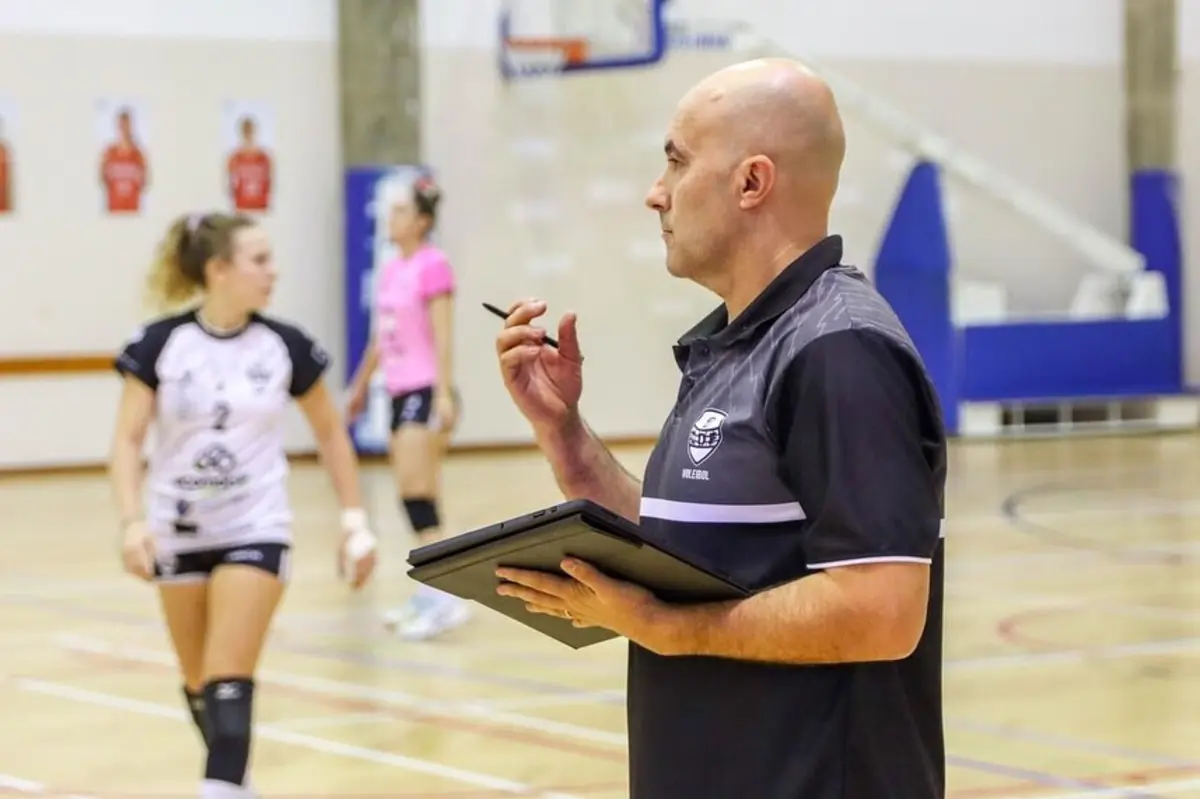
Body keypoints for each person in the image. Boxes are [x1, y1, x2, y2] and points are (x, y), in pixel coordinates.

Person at [491, 58, 948, 799]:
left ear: (751, 182)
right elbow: (682, 548)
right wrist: (563, 431)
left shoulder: (839, 350)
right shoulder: (738, 344)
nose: (656, 192)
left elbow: (883, 610)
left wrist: (675, 629)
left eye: (676, 161)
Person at [108, 211, 378, 799]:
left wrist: (354, 521)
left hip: (255, 525)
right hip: (178, 529)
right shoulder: (161, 345)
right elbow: (127, 441)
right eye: (259, 260)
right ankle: (235, 781)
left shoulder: (285, 345)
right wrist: (132, 523)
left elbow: (332, 434)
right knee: (199, 683)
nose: (272, 271)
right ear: (218, 270)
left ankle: (220, 785)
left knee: (229, 677)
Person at [345, 176, 468, 640]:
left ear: (421, 220)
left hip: (424, 389)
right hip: (396, 393)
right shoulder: (392, 268)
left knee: (418, 495)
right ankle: (436, 591)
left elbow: (443, 333)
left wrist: (442, 393)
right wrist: (360, 387)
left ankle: (444, 597)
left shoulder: (433, 265)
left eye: (400, 212)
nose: (391, 219)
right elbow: (381, 337)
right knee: (417, 498)